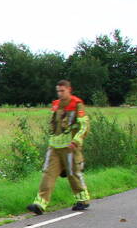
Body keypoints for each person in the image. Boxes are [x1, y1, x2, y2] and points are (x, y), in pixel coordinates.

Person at [27, 80, 91, 215]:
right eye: (58, 91)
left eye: (62, 91)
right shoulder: (55, 104)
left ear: (69, 89)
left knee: (73, 174)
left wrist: (76, 141)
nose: (60, 94)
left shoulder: (77, 104)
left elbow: (84, 125)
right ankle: (40, 204)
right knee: (48, 173)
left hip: (70, 147)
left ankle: (82, 199)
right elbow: (54, 125)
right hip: (54, 146)